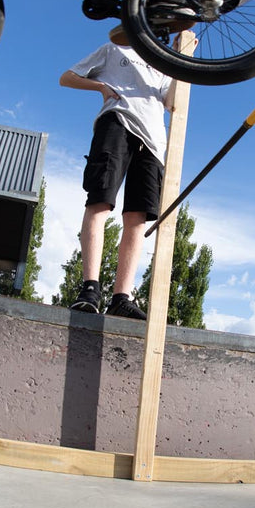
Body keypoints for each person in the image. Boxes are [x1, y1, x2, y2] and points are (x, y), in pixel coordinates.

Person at [61, 40, 175, 319]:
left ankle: (121, 297)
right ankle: (90, 288)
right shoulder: (116, 49)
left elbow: (171, 103)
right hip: (117, 122)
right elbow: (67, 78)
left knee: (137, 217)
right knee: (100, 201)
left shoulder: (165, 66)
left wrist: (185, 60)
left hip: (153, 141)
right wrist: (101, 87)